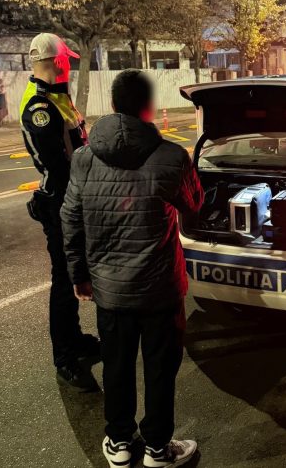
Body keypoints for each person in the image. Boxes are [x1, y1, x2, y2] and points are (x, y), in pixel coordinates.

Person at [60, 70, 204, 468]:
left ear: (112, 105)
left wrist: (79, 274)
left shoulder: (84, 158)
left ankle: (120, 443)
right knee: (161, 369)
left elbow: (70, 218)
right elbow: (194, 204)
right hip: (161, 290)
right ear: (149, 108)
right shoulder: (172, 156)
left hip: (110, 290)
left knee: (117, 366)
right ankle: (158, 449)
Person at [20, 33, 99, 390]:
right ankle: (65, 357)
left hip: (73, 197)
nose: (69, 64)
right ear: (56, 61)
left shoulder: (57, 96)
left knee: (73, 274)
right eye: (66, 59)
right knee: (65, 279)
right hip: (62, 201)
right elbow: (57, 163)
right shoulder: (40, 106)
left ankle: (76, 339)